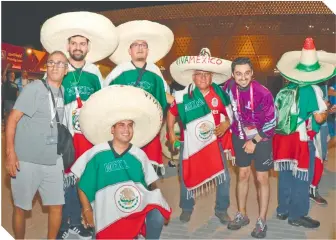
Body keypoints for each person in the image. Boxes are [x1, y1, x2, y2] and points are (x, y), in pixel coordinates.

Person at [40, 11, 119, 239]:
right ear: (67, 45)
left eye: (82, 43)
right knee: (62, 183)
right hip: (63, 137)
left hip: (88, 137)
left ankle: (78, 221)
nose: (77, 47)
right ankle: (62, 226)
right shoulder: (57, 68)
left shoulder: (95, 73)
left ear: (87, 47)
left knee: (83, 180)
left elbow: (102, 103)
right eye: (73, 43)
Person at [71, 85, 171, 239]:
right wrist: (86, 210)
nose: (126, 129)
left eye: (130, 125)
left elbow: (150, 187)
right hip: (105, 212)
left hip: (132, 209)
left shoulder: (139, 155)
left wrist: (157, 204)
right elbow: (82, 185)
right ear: (112, 129)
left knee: (157, 215)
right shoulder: (98, 153)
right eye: (121, 125)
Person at [5, 51, 68, 239]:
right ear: (46, 67)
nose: (55, 66)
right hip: (27, 160)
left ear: (66, 70)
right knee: (21, 207)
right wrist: (10, 154)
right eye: (51, 62)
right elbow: (12, 120)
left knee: (57, 205)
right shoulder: (34, 88)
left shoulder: (62, 91)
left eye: (60, 63)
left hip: (53, 160)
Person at [273, 38, 334, 229]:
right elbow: (318, 119)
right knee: (302, 178)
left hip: (282, 140)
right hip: (301, 140)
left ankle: (283, 210)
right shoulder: (313, 89)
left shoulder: (285, 88)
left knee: (285, 175)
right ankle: (297, 214)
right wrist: (325, 111)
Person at [167, 48, 233, 224]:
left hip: (214, 144)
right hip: (188, 144)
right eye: (199, 74)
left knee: (224, 177)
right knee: (186, 174)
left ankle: (221, 209)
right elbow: (172, 114)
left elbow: (230, 114)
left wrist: (226, 123)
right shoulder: (183, 96)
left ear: (212, 77)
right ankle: (186, 208)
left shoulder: (220, 93)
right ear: (193, 77)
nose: (203, 78)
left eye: (207, 74)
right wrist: (171, 135)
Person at [104, 20, 174, 176]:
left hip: (149, 127)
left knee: (147, 172)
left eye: (143, 45)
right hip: (125, 129)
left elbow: (164, 96)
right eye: (136, 45)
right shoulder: (119, 71)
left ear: (148, 51)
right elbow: (107, 97)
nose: (140, 48)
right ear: (129, 51)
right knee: (125, 170)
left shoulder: (155, 71)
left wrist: (182, 103)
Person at [222, 57, 276, 238]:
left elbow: (271, 122)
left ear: (252, 73)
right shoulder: (228, 87)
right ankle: (242, 214)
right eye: (238, 73)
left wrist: (254, 141)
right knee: (243, 174)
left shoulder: (263, 93)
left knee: (262, 178)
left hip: (262, 137)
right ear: (232, 75)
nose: (243, 77)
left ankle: (261, 220)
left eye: (246, 73)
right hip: (239, 135)